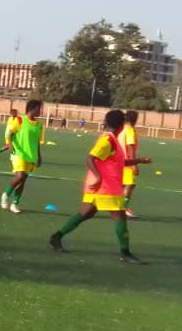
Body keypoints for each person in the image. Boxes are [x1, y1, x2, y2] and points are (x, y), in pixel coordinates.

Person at [49, 110, 153, 264]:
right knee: (120, 216)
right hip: (106, 186)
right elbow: (90, 158)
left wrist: (139, 160)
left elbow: (120, 162)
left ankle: (56, 237)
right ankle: (125, 253)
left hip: (99, 186)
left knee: (86, 213)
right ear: (121, 125)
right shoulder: (108, 140)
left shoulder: (112, 139)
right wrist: (98, 177)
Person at [0, 100, 44, 214]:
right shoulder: (20, 120)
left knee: (23, 180)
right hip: (19, 153)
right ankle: (6, 194)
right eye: (39, 109)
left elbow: (37, 142)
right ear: (32, 108)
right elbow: (10, 133)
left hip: (31, 155)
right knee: (20, 176)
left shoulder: (39, 125)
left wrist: (39, 156)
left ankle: (15, 203)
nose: (40, 111)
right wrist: (10, 145)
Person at [119, 110, 141, 218]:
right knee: (129, 185)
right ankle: (123, 209)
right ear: (135, 119)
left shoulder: (121, 129)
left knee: (123, 185)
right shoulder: (130, 130)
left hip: (118, 160)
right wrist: (134, 164)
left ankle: (119, 207)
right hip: (127, 162)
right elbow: (130, 146)